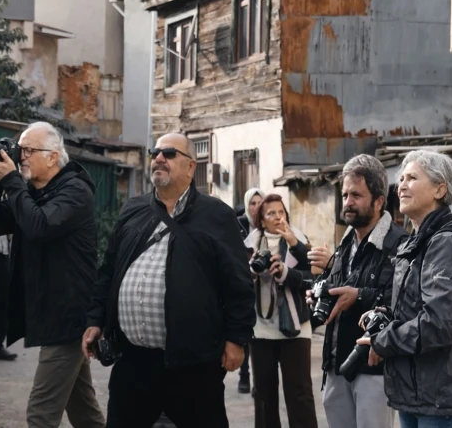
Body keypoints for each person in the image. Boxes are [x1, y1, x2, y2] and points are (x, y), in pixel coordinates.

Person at [82, 133, 255, 428]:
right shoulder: (132, 210)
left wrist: (236, 339)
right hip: (133, 363)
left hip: (194, 364)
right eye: (155, 152)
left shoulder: (216, 216)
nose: (159, 158)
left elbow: (238, 284)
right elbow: (109, 271)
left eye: (169, 153)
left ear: (191, 166)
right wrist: (96, 319)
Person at [0, 122, 104, 428]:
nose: (21, 156)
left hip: (69, 319)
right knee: (85, 414)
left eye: (28, 150)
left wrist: (11, 180)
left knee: (40, 415)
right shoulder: (34, 192)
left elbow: (40, 227)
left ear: (52, 156)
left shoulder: (75, 190)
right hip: (54, 316)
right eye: (20, 150)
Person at [357, 150, 452, 428]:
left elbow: (438, 324)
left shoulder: (445, 244)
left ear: (440, 189)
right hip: (415, 392)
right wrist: (385, 316)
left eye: (412, 178)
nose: (401, 185)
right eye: (401, 178)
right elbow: (415, 311)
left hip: (442, 398)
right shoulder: (415, 242)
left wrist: (384, 339)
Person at [306, 154, 407, 428]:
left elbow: (404, 303)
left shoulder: (399, 244)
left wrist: (359, 296)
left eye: (356, 196)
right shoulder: (345, 243)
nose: (348, 202)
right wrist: (318, 294)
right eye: (345, 194)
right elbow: (338, 289)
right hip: (336, 363)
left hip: (373, 367)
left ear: (378, 201)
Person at [244, 194, 317, 428]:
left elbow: (313, 278)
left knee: (300, 393)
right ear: (261, 221)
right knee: (263, 395)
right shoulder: (249, 245)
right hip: (261, 330)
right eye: (270, 213)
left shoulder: (299, 239)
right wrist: (252, 273)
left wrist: (287, 270)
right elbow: (236, 282)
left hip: (295, 326)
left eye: (281, 212)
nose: (277, 217)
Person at [237, 188, 265, 393]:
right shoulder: (239, 224)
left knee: (261, 334)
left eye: (259, 202)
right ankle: (244, 375)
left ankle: (258, 378)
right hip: (243, 284)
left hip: (264, 286)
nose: (256, 207)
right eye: (252, 203)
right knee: (246, 332)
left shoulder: (270, 224)